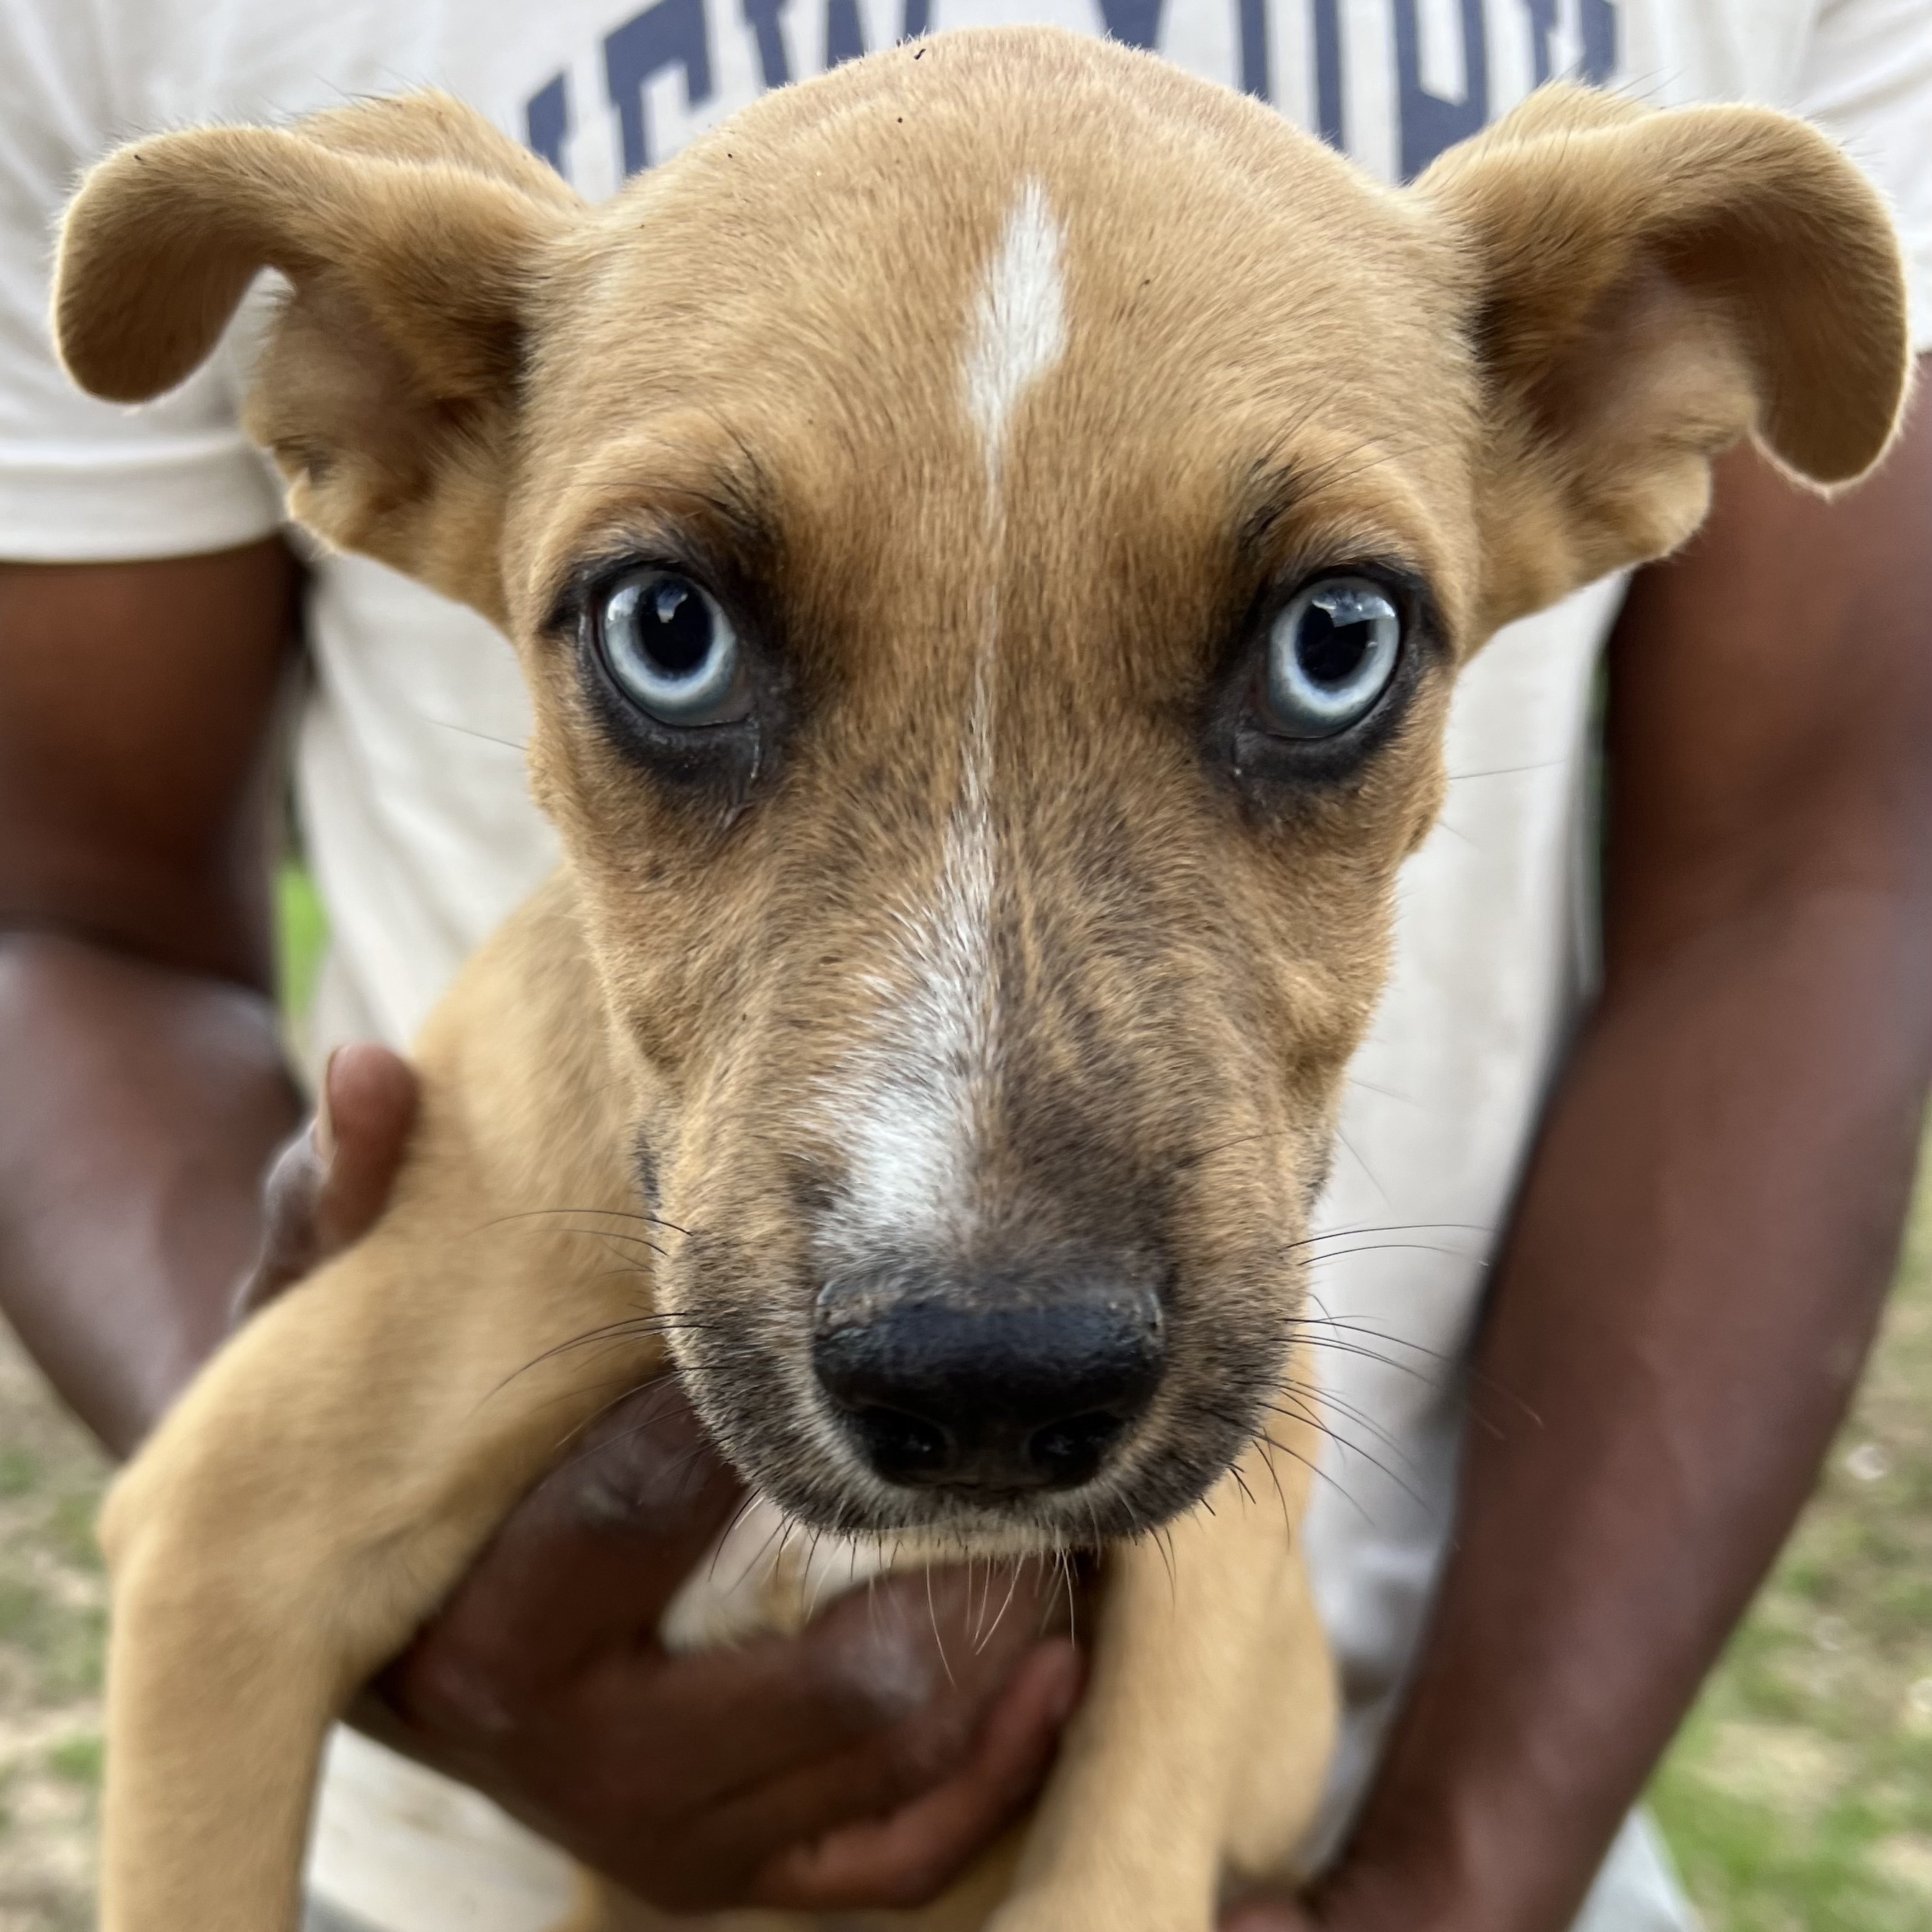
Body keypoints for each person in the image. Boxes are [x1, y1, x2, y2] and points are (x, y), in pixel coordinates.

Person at [1, 1, 1927, 1928]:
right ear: (406, 412)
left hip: (1362, 1813)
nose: (970, 1220)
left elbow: (1818, 869)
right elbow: (56, 900)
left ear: (1580, 410)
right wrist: (389, 1561)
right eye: (675, 635)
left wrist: (1459, 1877)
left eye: (1317, 646)